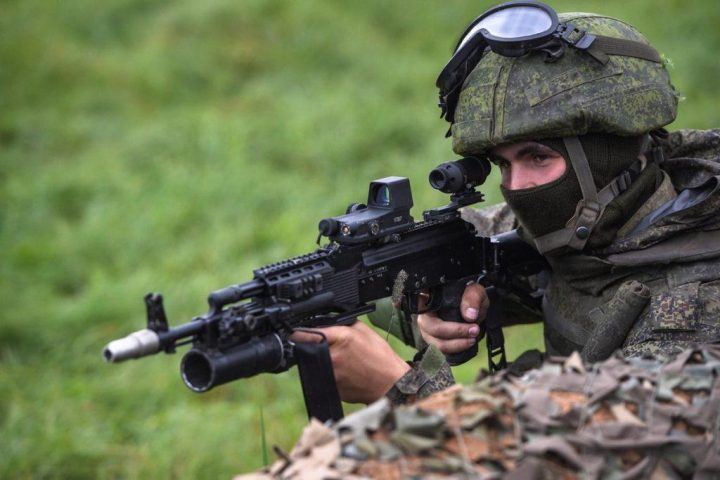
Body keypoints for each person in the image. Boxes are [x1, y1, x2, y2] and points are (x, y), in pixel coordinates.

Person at [296, 2, 720, 405]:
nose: (517, 188)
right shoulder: (596, 218)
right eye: (502, 164)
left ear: (609, 158)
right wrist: (428, 309)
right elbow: (401, 273)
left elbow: (592, 458)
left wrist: (401, 389)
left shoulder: (692, 312)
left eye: (538, 157)